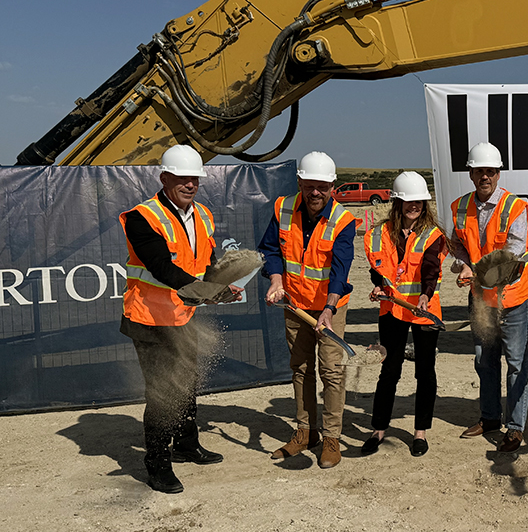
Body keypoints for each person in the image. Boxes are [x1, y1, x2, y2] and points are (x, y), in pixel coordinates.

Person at [120, 144, 241, 493]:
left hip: (183, 314)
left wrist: (222, 285)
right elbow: (160, 267)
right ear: (164, 178)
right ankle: (157, 464)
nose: (190, 184)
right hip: (149, 317)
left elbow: (208, 262)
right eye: (182, 178)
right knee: (162, 392)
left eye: (195, 179)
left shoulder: (202, 215)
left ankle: (187, 444)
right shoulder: (143, 217)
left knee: (187, 382)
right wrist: (205, 292)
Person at [258, 151, 356, 469]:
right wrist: (275, 279)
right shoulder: (283, 208)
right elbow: (270, 248)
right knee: (300, 369)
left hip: (330, 308)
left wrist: (327, 310)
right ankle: (305, 432)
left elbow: (340, 271)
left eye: (323, 187)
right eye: (310, 185)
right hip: (295, 305)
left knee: (331, 372)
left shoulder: (342, 221)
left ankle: (331, 439)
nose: (316, 192)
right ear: (299, 182)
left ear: (333, 187)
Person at [449, 142, 528, 453]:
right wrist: (461, 263)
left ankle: (515, 428)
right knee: (484, 362)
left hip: (513, 298)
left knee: (517, 363)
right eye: (479, 171)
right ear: (471, 174)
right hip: (480, 300)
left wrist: (473, 271)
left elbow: (512, 254)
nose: (484, 176)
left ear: (498, 174)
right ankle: (489, 418)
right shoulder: (460, 207)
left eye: (490, 171)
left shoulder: (514, 208)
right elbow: (458, 243)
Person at [361, 172, 447, 458]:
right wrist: (379, 286)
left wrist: (425, 293)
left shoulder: (433, 234)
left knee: (425, 371)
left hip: (424, 311)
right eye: (408, 201)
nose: (415, 206)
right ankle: (378, 429)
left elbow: (431, 267)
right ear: (397, 203)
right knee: (390, 370)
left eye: (419, 201)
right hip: (391, 310)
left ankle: (420, 432)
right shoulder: (378, 233)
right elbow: (378, 268)